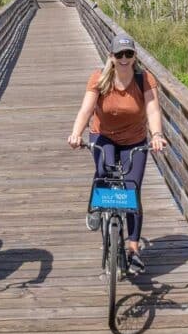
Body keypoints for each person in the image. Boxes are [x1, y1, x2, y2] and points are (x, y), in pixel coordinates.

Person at [67, 34, 167, 273]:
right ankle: (95, 206)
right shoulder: (99, 79)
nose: (124, 59)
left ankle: (133, 249)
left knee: (132, 190)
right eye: (119, 54)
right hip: (104, 136)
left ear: (134, 57)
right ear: (110, 57)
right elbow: (86, 110)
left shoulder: (144, 79)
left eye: (128, 54)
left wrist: (156, 136)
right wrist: (75, 134)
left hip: (134, 140)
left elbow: (153, 111)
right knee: (103, 171)